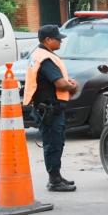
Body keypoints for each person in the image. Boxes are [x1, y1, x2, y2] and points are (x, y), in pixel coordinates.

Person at [23, 25, 79, 192]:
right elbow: (60, 83)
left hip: (45, 108)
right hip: (50, 109)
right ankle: (54, 180)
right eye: (57, 38)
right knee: (54, 144)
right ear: (47, 40)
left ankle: (56, 176)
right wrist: (72, 86)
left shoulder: (38, 54)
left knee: (54, 142)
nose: (60, 41)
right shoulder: (45, 59)